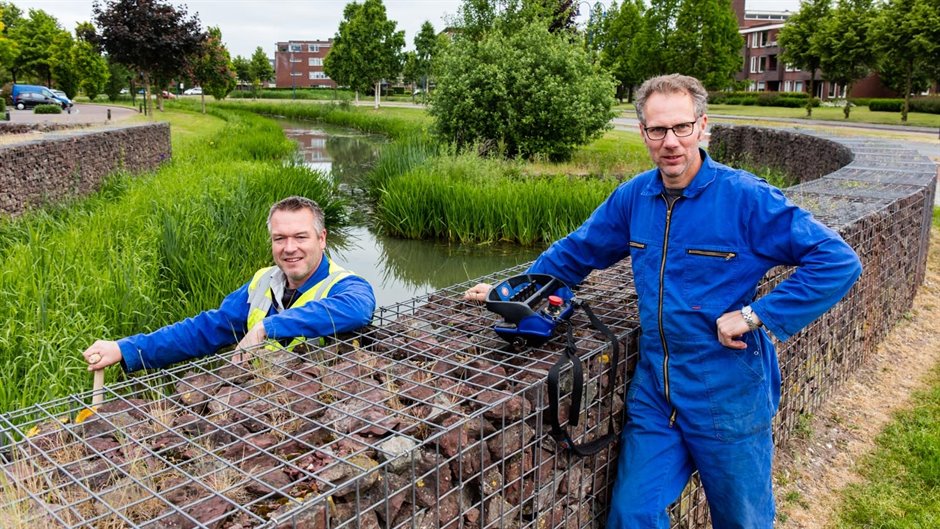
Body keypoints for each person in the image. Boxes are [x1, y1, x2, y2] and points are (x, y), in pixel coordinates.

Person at [464, 74, 862, 528]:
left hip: (728, 395)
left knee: (743, 521)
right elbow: (576, 251)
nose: (670, 142)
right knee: (632, 516)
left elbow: (837, 261)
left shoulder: (746, 198)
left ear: (703, 126)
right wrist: (517, 291)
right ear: (644, 133)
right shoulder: (635, 197)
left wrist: (756, 315)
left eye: (681, 127)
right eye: (658, 130)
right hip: (657, 394)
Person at [83, 196, 376, 373]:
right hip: (257, 404)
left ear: (322, 239)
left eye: (301, 237)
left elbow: (358, 309)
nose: (289, 248)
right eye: (279, 238)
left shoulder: (344, 285)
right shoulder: (263, 281)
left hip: (312, 410)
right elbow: (204, 330)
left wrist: (266, 328)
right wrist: (126, 348)